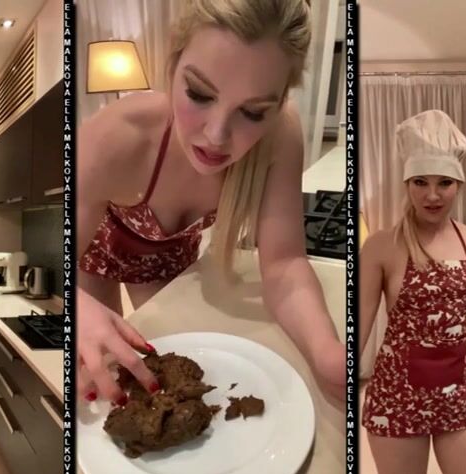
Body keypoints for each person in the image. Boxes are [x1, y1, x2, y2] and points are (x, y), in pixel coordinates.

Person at [76, 0, 345, 406]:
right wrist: (80, 309)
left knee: (176, 375)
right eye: (199, 94)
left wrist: (327, 354)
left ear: (281, 102)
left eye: (253, 112)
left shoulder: (280, 139)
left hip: (169, 262)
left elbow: (284, 264)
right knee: (100, 383)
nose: (217, 135)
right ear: (173, 64)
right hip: (90, 258)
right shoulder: (117, 136)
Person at [359, 110, 466, 474]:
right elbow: (358, 325)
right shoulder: (382, 246)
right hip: (397, 394)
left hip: (462, 388)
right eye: (420, 182)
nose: (432, 195)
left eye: (444, 183)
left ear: (459, 185)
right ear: (407, 184)